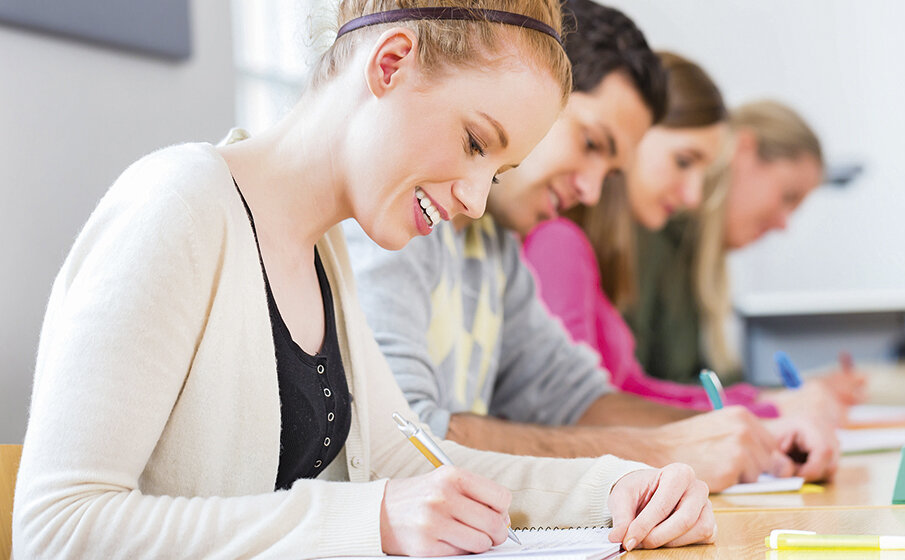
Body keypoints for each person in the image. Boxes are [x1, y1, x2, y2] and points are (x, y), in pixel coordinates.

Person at [12, 2, 718, 558]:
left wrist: (620, 485)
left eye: (495, 172)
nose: (474, 200)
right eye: (474, 142)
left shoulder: (325, 251)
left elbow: (402, 460)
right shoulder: (177, 206)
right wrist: (369, 518)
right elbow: (58, 529)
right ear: (390, 64)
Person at [346, 1, 837, 492]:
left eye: (612, 169)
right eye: (591, 143)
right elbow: (408, 440)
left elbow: (576, 399)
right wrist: (660, 451)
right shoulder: (397, 217)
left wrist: (750, 435)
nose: (593, 192)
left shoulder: (493, 245)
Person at [522, 53, 858, 431]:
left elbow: (630, 389)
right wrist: (767, 411)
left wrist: (764, 405)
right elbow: (577, 414)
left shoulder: (587, 246)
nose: (693, 195)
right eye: (683, 161)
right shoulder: (562, 241)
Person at [625, 99, 867, 419]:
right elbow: (637, 394)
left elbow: (698, 387)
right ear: (744, 151)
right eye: (788, 197)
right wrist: (773, 404)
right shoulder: (651, 235)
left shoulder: (690, 254)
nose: (784, 223)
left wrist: (791, 396)